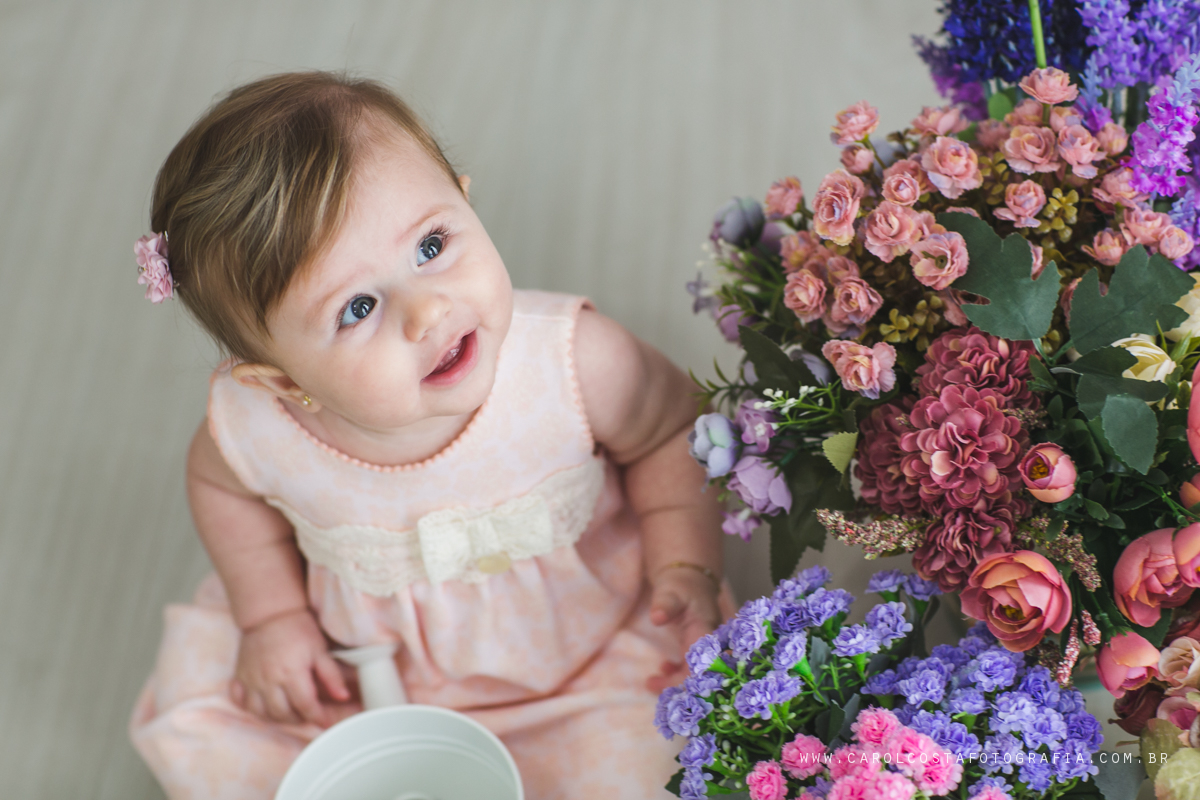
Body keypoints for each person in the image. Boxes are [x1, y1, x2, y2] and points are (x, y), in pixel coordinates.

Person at [128, 71, 726, 800]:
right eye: (357, 308)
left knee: (656, 761)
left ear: (466, 200)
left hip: (591, 658)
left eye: (432, 245)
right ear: (283, 382)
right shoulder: (258, 426)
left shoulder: (573, 362)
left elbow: (670, 431)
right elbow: (220, 487)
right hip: (369, 678)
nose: (427, 311)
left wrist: (683, 562)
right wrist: (274, 618)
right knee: (207, 736)